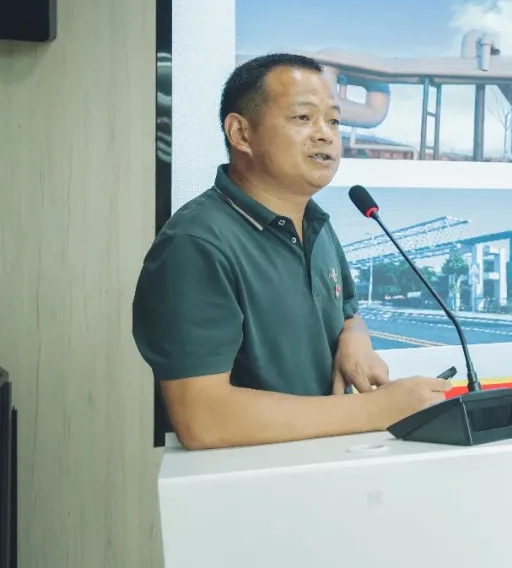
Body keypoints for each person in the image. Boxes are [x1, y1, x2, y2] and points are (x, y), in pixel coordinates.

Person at [132, 53, 450, 449]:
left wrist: (355, 337)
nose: (325, 135)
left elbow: (347, 312)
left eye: (333, 121)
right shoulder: (196, 243)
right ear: (241, 133)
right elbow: (202, 419)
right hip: (251, 480)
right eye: (303, 117)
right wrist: (378, 409)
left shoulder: (317, 225)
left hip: (326, 464)